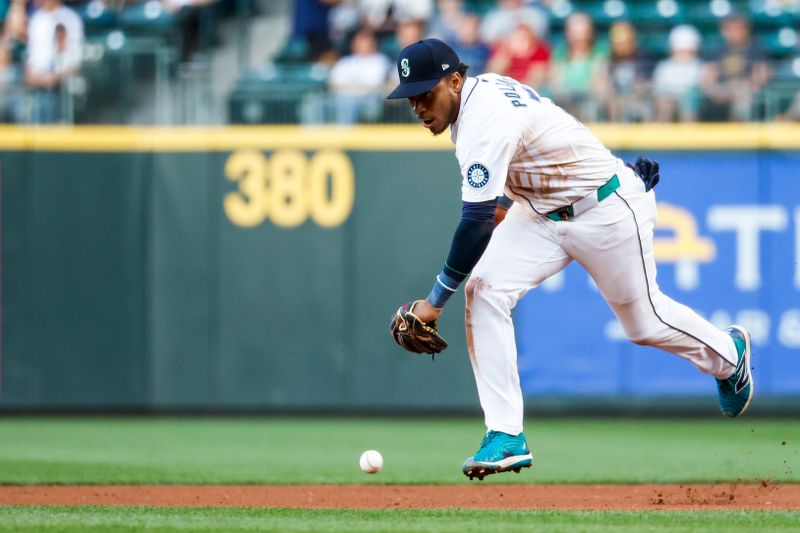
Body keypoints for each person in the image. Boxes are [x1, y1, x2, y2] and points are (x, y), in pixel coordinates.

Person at [386, 38, 754, 480]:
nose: (418, 105)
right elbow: (511, 189)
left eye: (425, 92)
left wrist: (432, 302)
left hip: (604, 210)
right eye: (411, 97)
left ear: (455, 79)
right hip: (541, 213)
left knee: (645, 323)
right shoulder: (472, 104)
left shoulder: (483, 116)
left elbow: (477, 222)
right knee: (484, 290)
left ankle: (729, 357)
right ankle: (505, 434)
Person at [700, 13, 770, 122]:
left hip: (745, 87)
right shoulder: (720, 50)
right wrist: (712, 88)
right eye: (729, 29)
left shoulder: (756, 50)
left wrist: (744, 85)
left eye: (737, 28)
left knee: (742, 95)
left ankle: (737, 134)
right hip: (723, 87)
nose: (733, 32)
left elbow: (761, 75)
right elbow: (709, 75)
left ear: (746, 29)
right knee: (696, 95)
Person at [651, 25, 704, 122]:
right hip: (667, 101)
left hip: (691, 103)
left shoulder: (700, 67)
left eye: (687, 51)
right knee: (664, 104)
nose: (684, 54)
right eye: (681, 51)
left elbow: (700, 89)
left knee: (689, 102)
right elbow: (658, 90)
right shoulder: (664, 67)